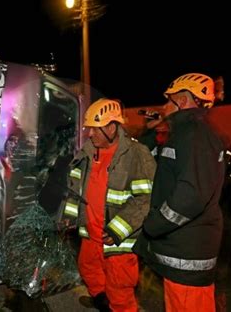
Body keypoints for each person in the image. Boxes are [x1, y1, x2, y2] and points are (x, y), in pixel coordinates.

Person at [133, 73, 226, 311]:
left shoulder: (194, 135)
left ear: (182, 102)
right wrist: (151, 131)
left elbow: (191, 196)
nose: (163, 107)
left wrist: (155, 223)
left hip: (187, 252)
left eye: (168, 101)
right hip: (182, 248)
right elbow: (144, 160)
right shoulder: (184, 134)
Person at [60, 98, 156, 312]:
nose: (90, 134)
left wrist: (117, 229)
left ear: (112, 128)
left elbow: (145, 200)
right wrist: (69, 218)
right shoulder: (86, 153)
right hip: (90, 235)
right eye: (89, 129)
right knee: (89, 271)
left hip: (116, 240)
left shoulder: (136, 155)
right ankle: (103, 303)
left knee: (119, 289)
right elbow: (75, 191)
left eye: (95, 129)